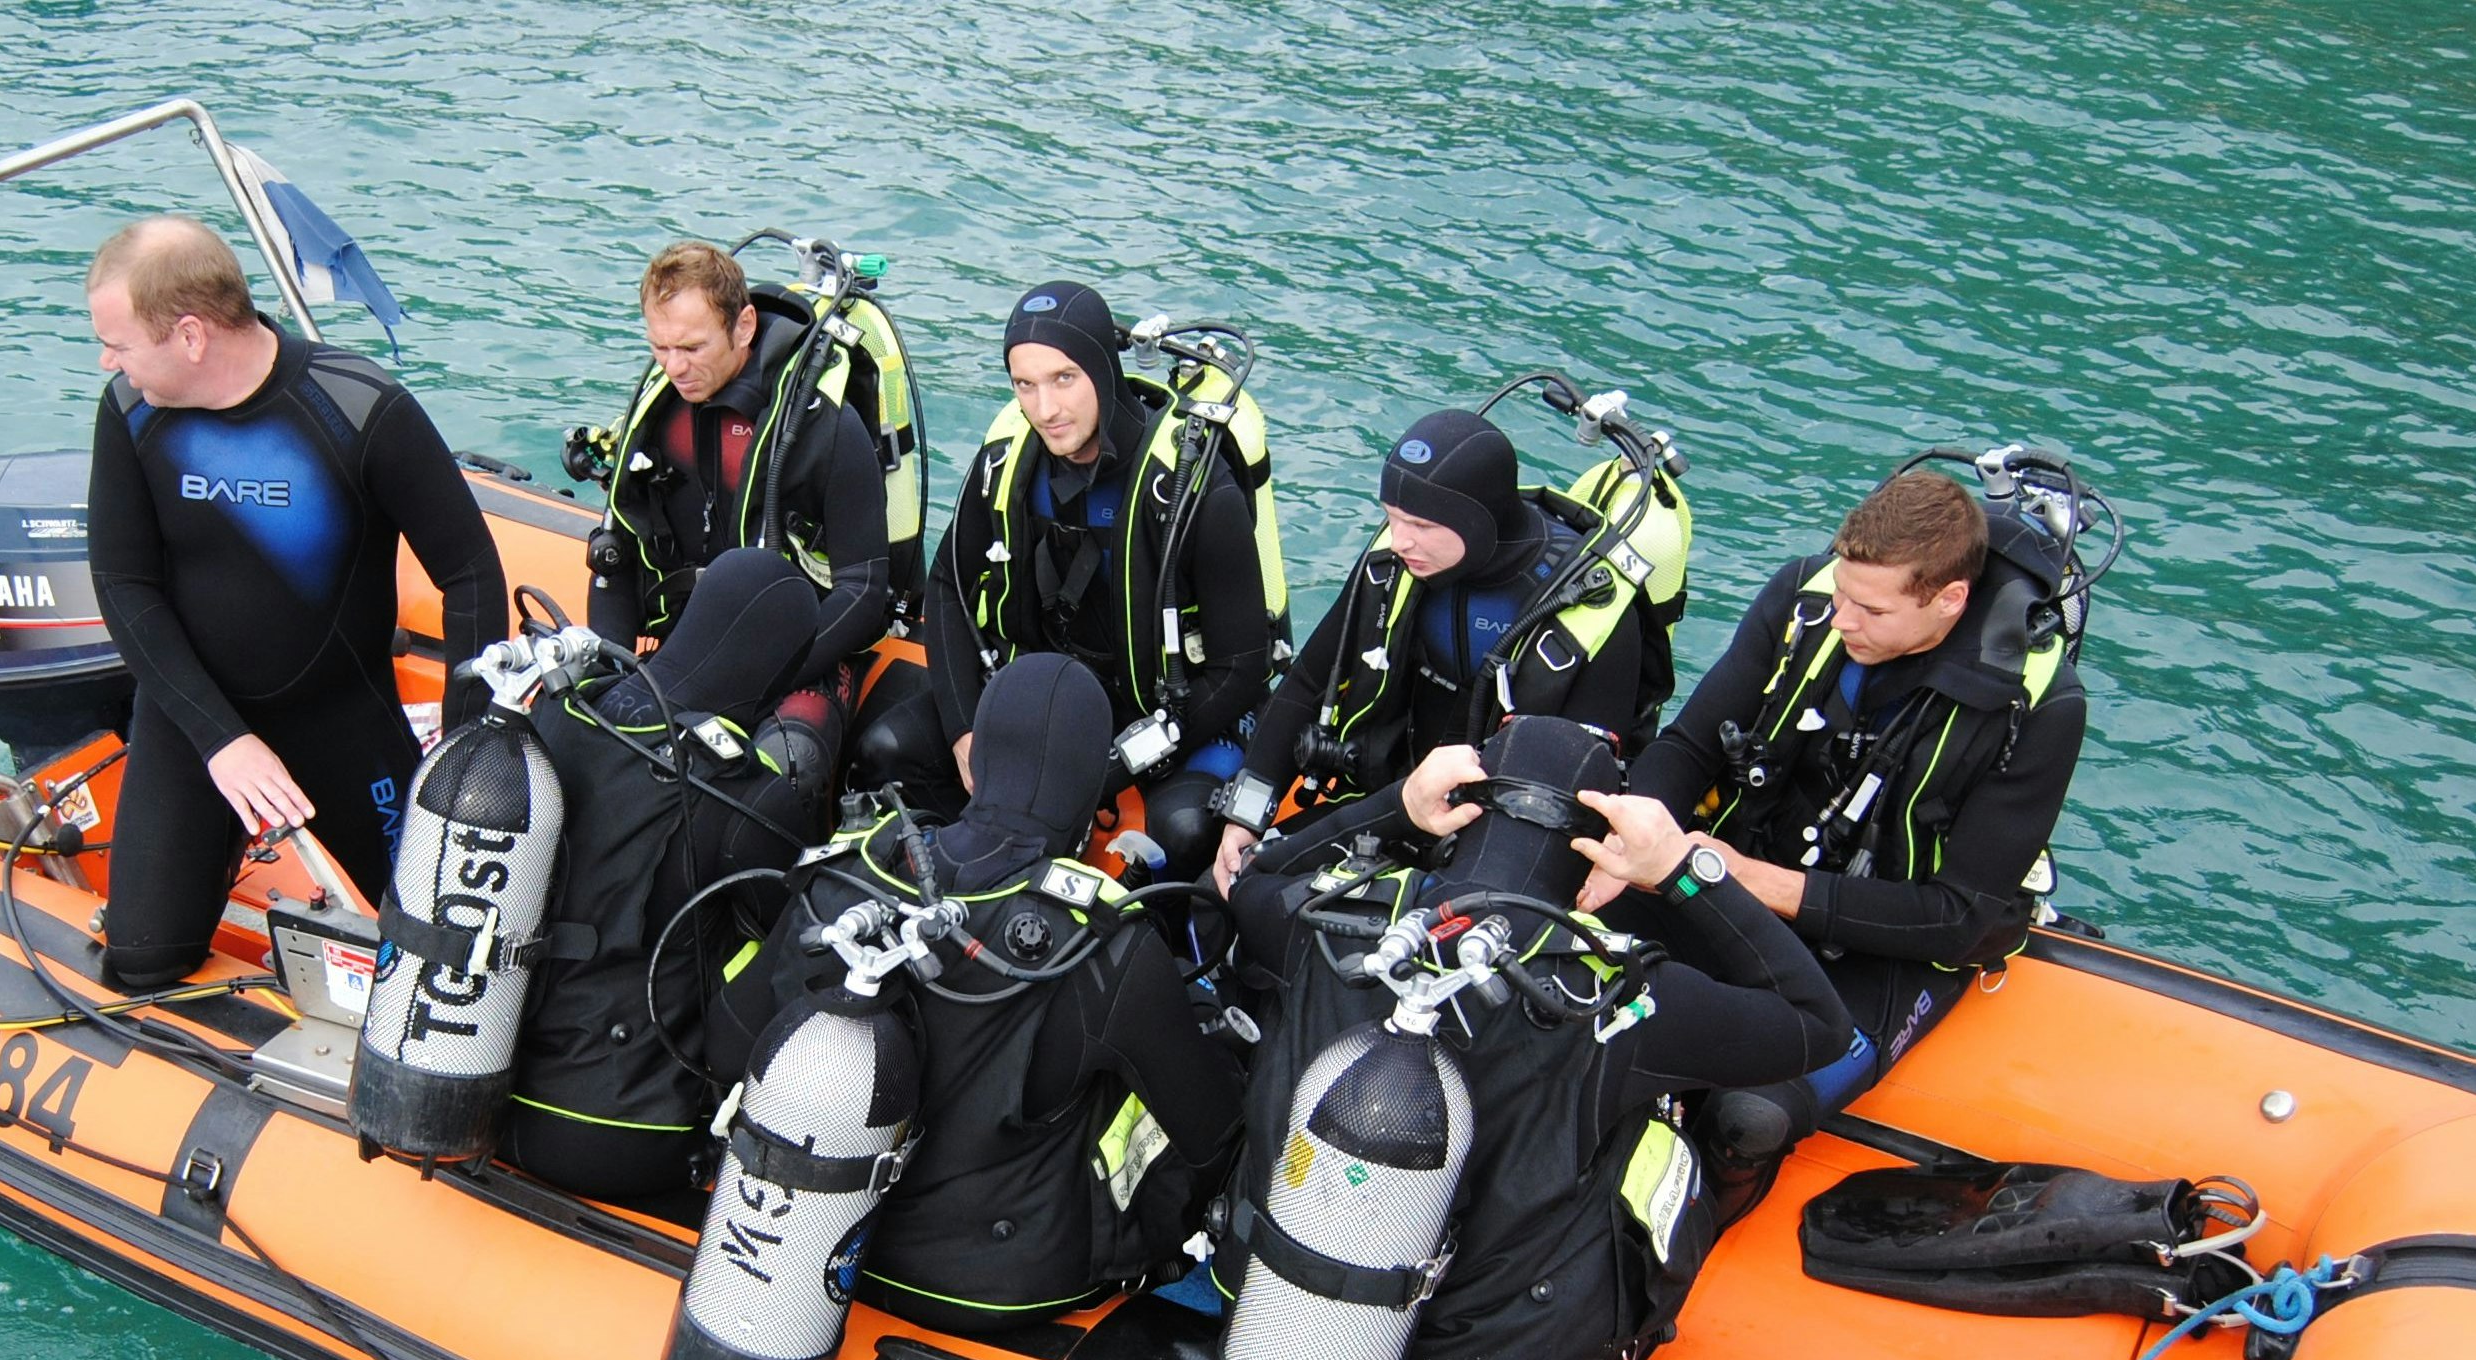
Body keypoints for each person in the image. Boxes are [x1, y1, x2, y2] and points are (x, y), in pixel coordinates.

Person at [1226, 716, 1852, 1360]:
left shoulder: (1328, 919)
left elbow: (1249, 878)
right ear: (1595, 862)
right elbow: (1819, 1024)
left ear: (1458, 814)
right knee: (1672, 1119)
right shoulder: (1621, 995)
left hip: (1265, 1325)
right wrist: (1683, 873)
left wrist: (1395, 805)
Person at [713, 655, 1245, 1335]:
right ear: (1090, 779)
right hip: (1000, 1288)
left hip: (816, 1244)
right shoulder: (1107, 943)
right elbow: (1211, 1139)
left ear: (979, 757)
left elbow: (731, 1046)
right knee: (1187, 1078)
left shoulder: (845, 874)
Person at [1621, 465, 2087, 1220]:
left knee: (1749, 1118)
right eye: (1839, 594)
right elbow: (1690, 747)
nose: (1841, 621)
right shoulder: (1806, 599)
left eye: (1869, 609)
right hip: (1734, 877)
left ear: (1949, 601)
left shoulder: (2040, 705)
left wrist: (1747, 880)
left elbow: (1958, 916)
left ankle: (1694, 1239)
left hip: (1889, 949)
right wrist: (1632, 836)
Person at [82, 216, 504, 988]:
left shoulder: (355, 407)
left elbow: (470, 572)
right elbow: (124, 585)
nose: (108, 360)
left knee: (435, 962)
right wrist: (222, 741)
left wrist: (465, 752)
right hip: (197, 726)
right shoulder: (132, 413)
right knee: (141, 965)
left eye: (119, 342)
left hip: (343, 722)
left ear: (190, 336)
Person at [1212, 406, 1687, 889]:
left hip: (1499, 843)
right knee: (1227, 888)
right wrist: (1246, 813)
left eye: (1419, 525)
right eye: (1392, 518)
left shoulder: (1593, 614)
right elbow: (1309, 682)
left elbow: (1580, 795)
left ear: (1479, 521)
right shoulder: (1396, 564)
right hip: (1387, 803)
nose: (1399, 541)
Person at [500, 548, 834, 1213]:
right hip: (629, 1137)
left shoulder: (568, 707)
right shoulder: (746, 790)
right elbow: (787, 927)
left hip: (490, 1083)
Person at [922, 283, 1279, 873]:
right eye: (1025, 385)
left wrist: (1109, 768)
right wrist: (964, 729)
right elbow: (945, 588)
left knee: (1184, 830)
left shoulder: (1193, 491)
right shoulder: (1008, 464)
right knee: (892, 748)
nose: (1045, 409)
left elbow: (1241, 667)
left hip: (1169, 709)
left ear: (1102, 371)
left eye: (1065, 378)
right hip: (1049, 694)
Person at [577, 242, 906, 777]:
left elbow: (864, 592)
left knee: (789, 765)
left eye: (691, 347)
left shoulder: (822, 425)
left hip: (801, 657)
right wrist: (609, 677)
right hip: (687, 643)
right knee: (597, 729)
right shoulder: (660, 411)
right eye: (660, 347)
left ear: (745, 325)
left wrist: (756, 674)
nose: (674, 368)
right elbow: (617, 556)